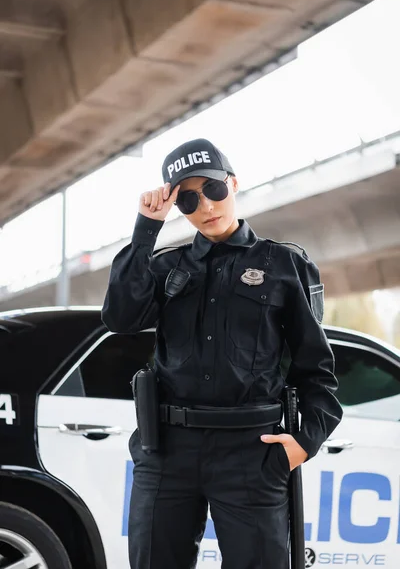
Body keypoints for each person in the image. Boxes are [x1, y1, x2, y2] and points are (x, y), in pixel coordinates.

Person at [101, 138, 343, 569]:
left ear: (232, 183)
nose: (206, 205)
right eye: (189, 199)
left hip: (252, 452)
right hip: (167, 452)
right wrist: (145, 230)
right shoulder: (164, 266)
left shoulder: (284, 265)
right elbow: (119, 317)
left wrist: (302, 444)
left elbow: (317, 370)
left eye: (212, 189)